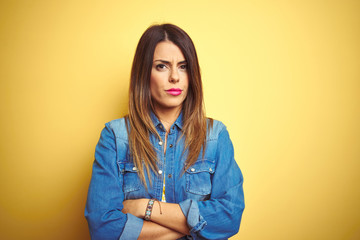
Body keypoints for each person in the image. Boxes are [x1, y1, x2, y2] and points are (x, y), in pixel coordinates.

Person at [85, 23, 245, 240]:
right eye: (162, 66)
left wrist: (146, 207)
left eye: (183, 66)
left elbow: (230, 216)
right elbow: (103, 229)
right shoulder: (115, 136)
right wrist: (195, 228)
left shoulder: (215, 136)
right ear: (144, 73)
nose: (174, 77)